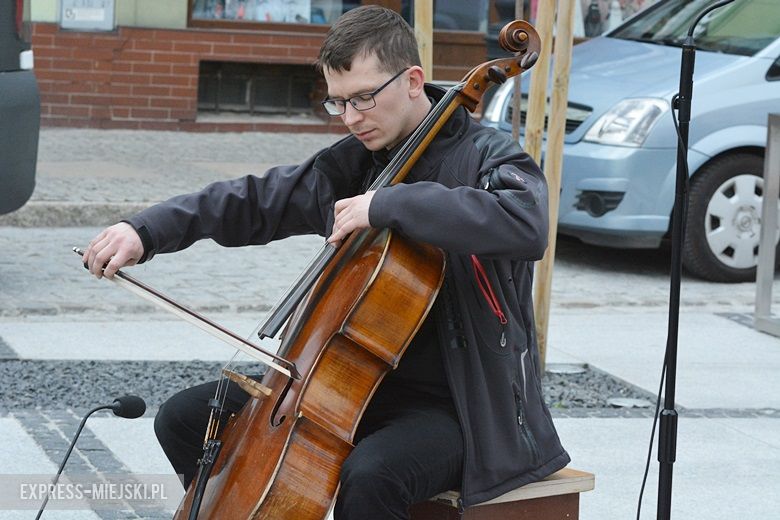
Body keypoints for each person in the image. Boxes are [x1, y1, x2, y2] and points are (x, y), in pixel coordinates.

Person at [82, 6, 569, 519]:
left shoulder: (486, 154)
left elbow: (525, 223)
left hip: (462, 406)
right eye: (338, 103)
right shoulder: (358, 162)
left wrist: (386, 204)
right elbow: (256, 201)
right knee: (184, 419)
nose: (352, 117)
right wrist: (146, 229)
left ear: (412, 81)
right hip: (349, 387)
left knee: (373, 474)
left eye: (363, 97)